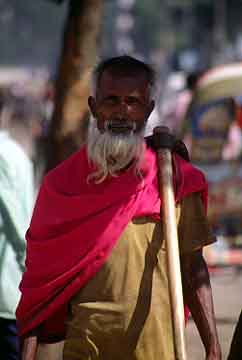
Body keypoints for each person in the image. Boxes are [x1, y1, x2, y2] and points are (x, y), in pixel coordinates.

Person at [17, 55, 221, 360]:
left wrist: (213, 348)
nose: (122, 112)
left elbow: (193, 268)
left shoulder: (174, 178)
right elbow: (39, 286)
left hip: (157, 350)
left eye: (133, 102)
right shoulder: (61, 186)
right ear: (93, 107)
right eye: (111, 101)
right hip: (85, 351)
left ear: (148, 109)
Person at [0, 94, 42, 359]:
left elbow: (13, 213)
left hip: (8, 284)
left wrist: (28, 259)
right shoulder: (15, 151)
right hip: (16, 284)